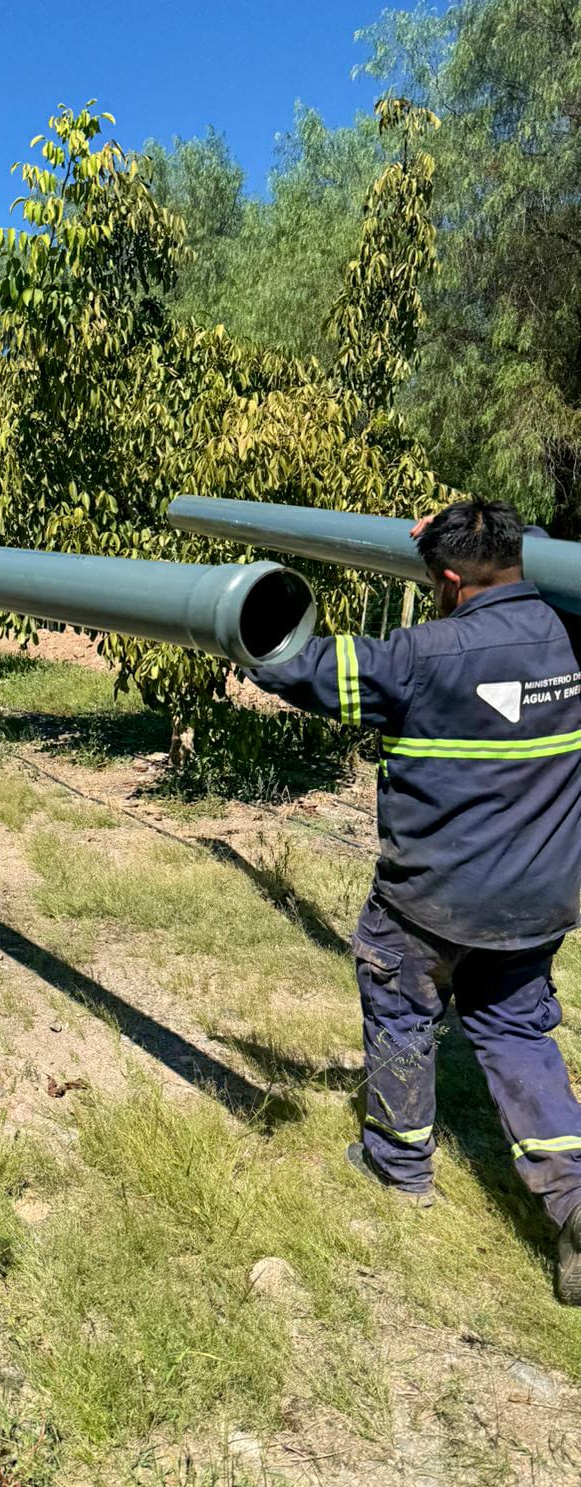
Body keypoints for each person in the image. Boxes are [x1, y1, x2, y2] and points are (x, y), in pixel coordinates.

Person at [249, 498, 581, 1303]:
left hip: (430, 900)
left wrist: (248, 610)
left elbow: (299, 666)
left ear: (450, 581)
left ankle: (399, 1165)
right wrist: (486, 526)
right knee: (513, 1029)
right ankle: (572, 1196)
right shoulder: (573, 638)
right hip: (540, 896)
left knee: (400, 1007)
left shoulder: (422, 656)